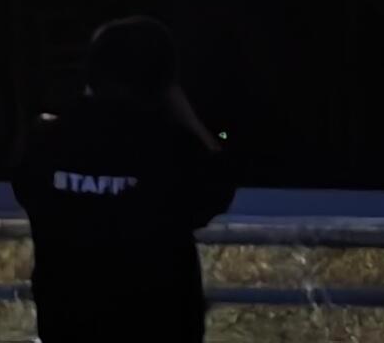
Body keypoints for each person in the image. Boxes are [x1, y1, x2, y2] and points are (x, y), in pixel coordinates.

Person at [13, 17, 233, 343]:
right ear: (163, 83)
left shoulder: (46, 142)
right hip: (158, 328)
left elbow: (26, 187)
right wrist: (184, 114)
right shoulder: (172, 149)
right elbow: (217, 190)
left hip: (68, 326)